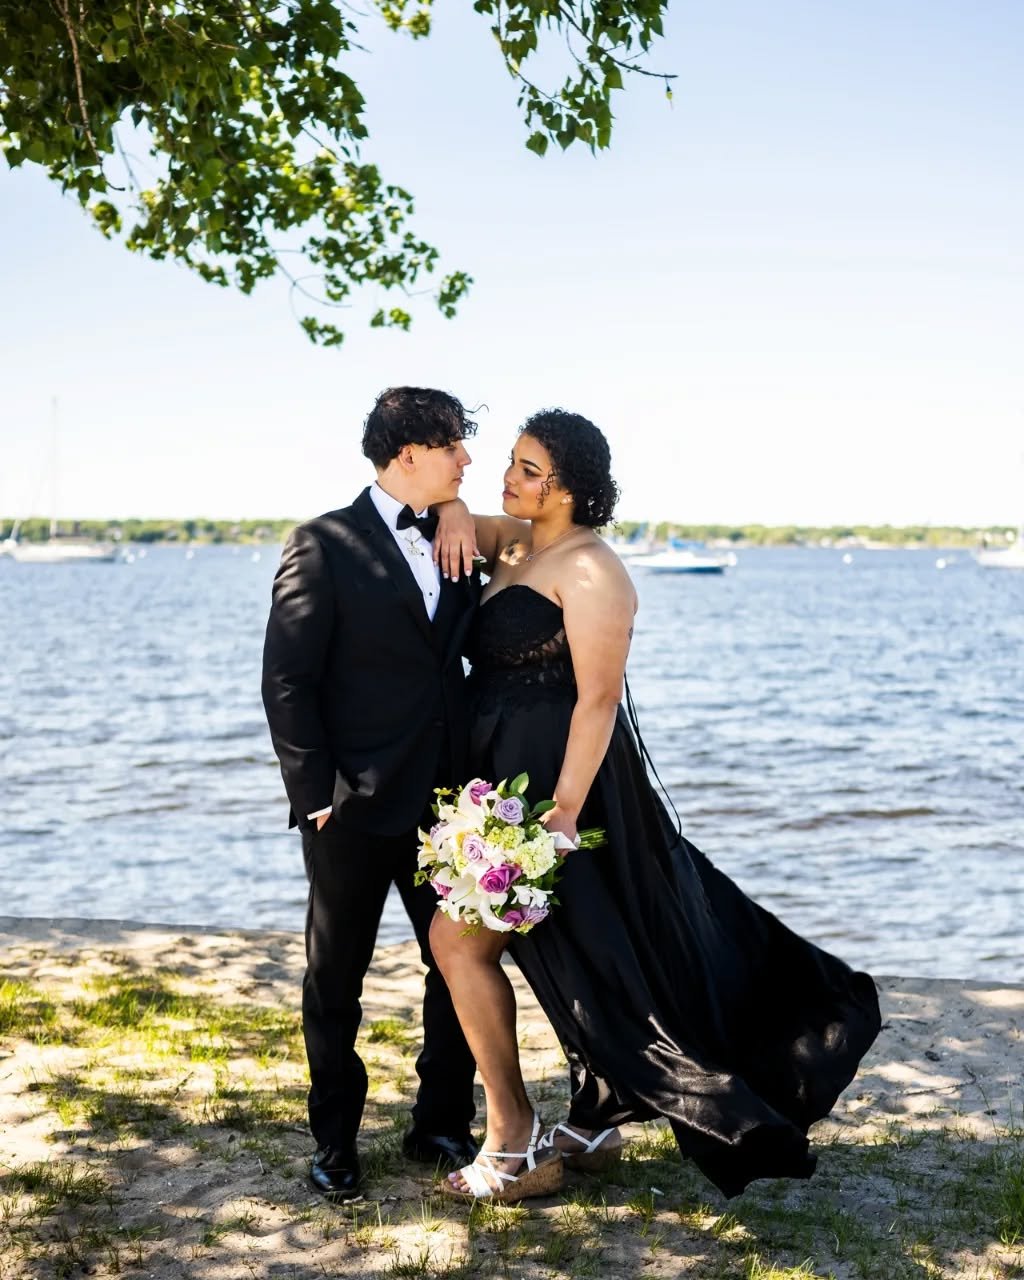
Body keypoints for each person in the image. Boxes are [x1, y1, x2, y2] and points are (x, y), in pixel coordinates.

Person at [429, 409, 882, 1202]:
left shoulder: (594, 571)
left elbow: (599, 701)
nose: (510, 477)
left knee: (470, 943)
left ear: (568, 486)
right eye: (511, 462)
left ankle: (513, 1143)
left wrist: (561, 817)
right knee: (587, 952)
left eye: (529, 469)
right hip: (496, 778)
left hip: (557, 797)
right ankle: (594, 1120)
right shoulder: (515, 542)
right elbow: (451, 515)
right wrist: (458, 507)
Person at [261, 386, 483, 1203]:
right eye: (456, 445)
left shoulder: (457, 534)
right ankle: (334, 1143)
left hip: (447, 807)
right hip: (349, 806)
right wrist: (314, 793)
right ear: (409, 453)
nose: (468, 460)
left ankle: (439, 1122)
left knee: (459, 967)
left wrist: (460, 513)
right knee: (335, 980)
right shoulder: (323, 543)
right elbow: (287, 679)